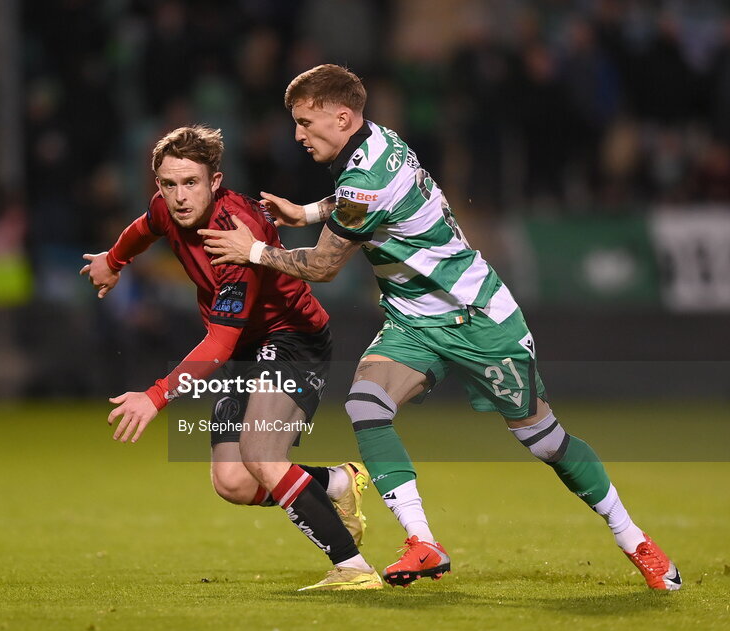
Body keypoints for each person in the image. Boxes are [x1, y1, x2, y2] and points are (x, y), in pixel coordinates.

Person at [200, 64, 681, 591]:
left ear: (341, 117)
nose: (297, 135)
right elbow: (363, 204)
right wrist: (309, 210)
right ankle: (422, 542)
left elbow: (323, 267)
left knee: (545, 440)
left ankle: (633, 538)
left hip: (477, 318)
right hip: (414, 320)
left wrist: (255, 250)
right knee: (366, 404)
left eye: (304, 122)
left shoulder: (363, 176)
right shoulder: (376, 142)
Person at [81, 125, 381, 591]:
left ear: (215, 181)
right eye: (168, 184)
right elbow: (145, 227)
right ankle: (335, 483)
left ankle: (353, 568)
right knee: (234, 483)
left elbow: (218, 343)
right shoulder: (167, 207)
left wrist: (156, 397)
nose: (179, 197)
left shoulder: (234, 233)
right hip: (246, 347)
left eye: (191, 183)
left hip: (293, 337)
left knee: (262, 454)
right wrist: (114, 260)